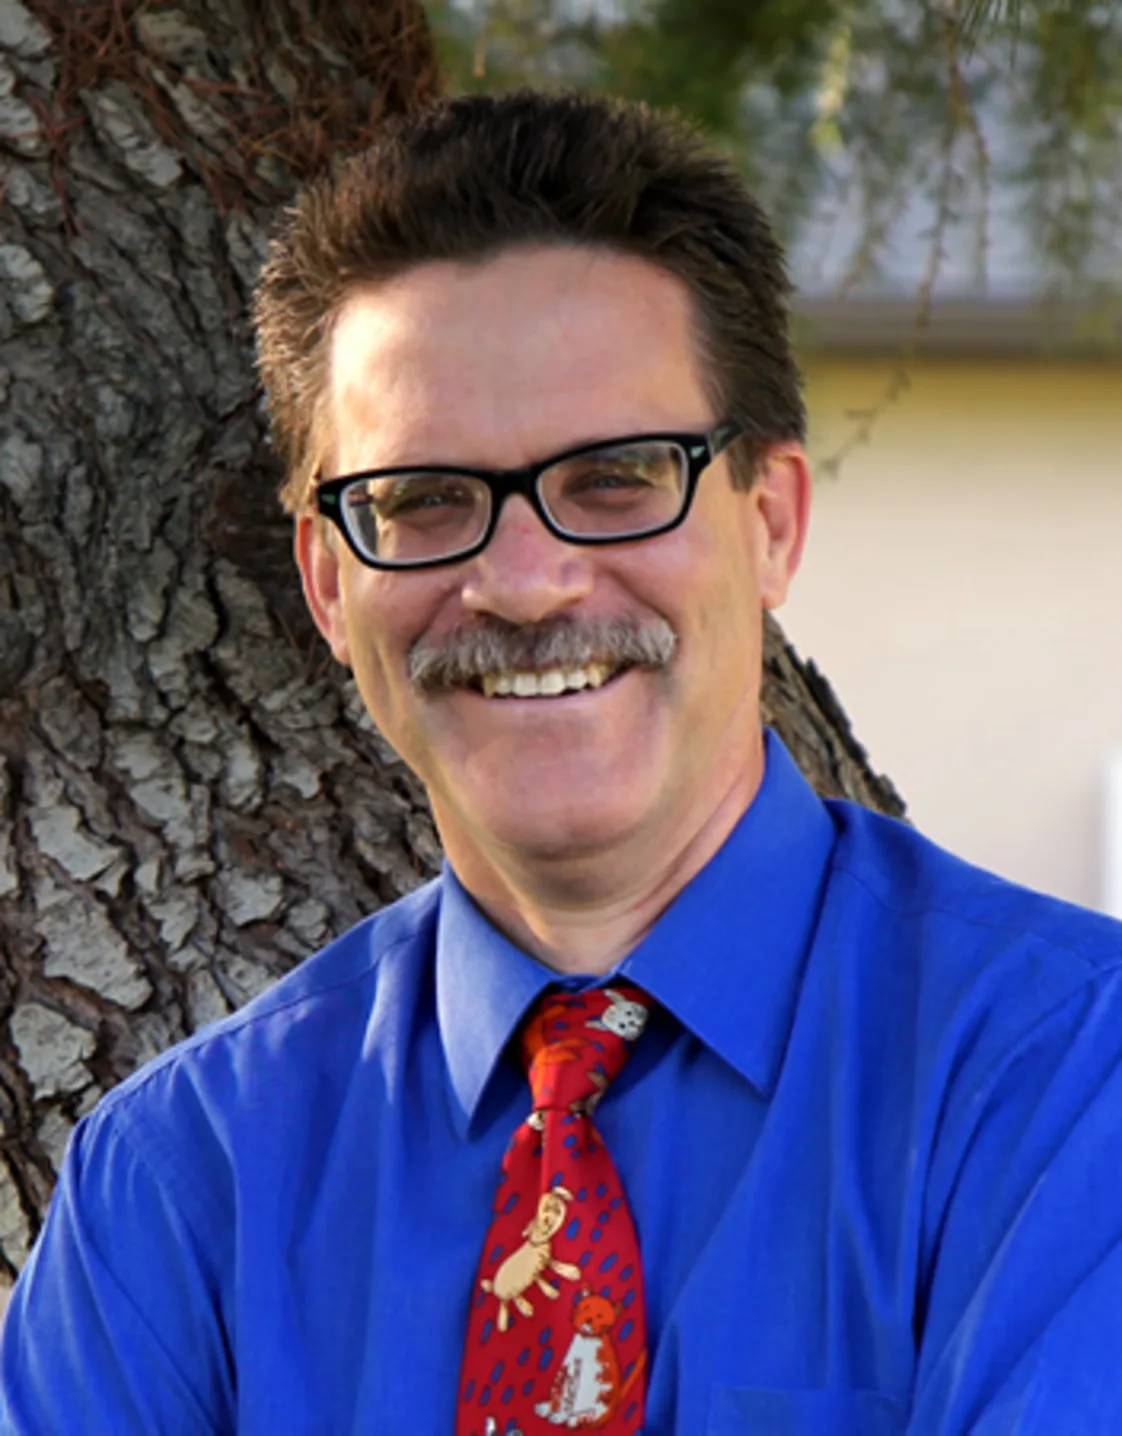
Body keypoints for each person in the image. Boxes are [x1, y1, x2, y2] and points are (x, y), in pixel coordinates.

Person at [4, 89, 1122, 1436]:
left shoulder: (1070, 1080)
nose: (525, 583)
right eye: (423, 500)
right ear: (328, 584)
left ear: (769, 522)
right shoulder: (177, 1189)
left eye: (614, 478)